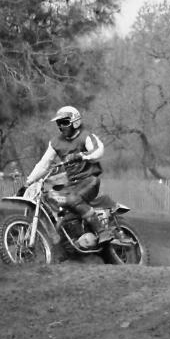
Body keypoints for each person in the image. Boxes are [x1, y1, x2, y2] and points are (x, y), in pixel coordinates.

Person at [22, 105, 119, 249]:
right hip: (71, 184)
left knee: (72, 199)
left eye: (64, 122)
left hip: (89, 180)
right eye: (59, 123)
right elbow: (43, 164)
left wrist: (81, 155)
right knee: (51, 199)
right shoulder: (55, 142)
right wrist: (28, 182)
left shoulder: (86, 136)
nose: (61, 126)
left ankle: (102, 231)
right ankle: (66, 242)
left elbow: (99, 150)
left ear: (75, 121)